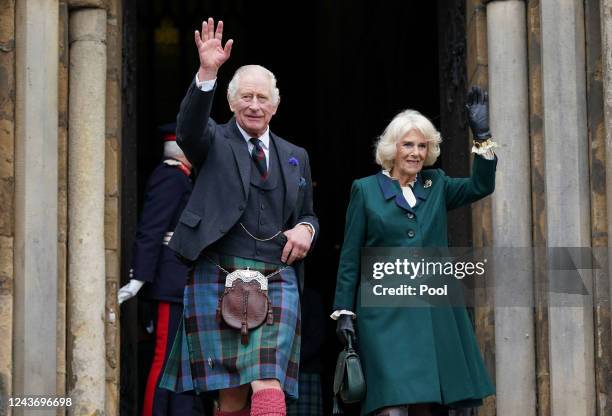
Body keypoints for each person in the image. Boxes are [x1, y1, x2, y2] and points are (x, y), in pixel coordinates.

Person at [158, 18, 319, 416]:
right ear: (231, 103)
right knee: (230, 395)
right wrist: (207, 72)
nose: (254, 104)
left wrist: (307, 228)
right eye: (246, 96)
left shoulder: (296, 155)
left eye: (263, 98)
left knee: (268, 379)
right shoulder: (212, 140)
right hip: (218, 268)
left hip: (276, 275)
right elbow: (188, 128)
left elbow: (308, 214)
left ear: (276, 105)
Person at [332, 87, 497, 416]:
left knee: (426, 405)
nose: (416, 153)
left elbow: (482, 185)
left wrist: (482, 137)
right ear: (392, 148)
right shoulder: (365, 190)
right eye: (409, 144)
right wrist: (344, 311)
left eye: (423, 146)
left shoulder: (435, 184)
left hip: (430, 311)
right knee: (390, 405)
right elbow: (350, 256)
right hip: (383, 316)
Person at [117, 124, 206, 415]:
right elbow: (151, 230)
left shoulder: (181, 179)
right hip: (170, 283)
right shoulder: (171, 177)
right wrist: (140, 277)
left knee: (179, 361)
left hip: (180, 282)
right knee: (163, 358)